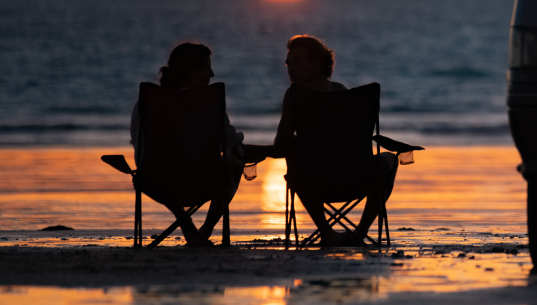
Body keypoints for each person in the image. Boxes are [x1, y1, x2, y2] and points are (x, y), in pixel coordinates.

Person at [250, 35, 397, 246]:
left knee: (294, 155)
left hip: (314, 182)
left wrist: (248, 150)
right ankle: (359, 232)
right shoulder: (344, 94)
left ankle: (327, 232)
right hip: (358, 179)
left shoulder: (295, 96)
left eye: (298, 62)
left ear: (317, 63)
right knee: (389, 159)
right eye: (288, 63)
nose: (290, 68)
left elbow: (280, 148)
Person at [131, 42, 255, 246]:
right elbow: (232, 147)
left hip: (155, 182)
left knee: (171, 175)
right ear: (193, 73)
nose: (212, 74)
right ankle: (205, 230)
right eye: (208, 67)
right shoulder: (209, 103)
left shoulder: (148, 102)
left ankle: (188, 228)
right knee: (234, 165)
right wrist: (264, 151)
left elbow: (138, 146)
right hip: (205, 182)